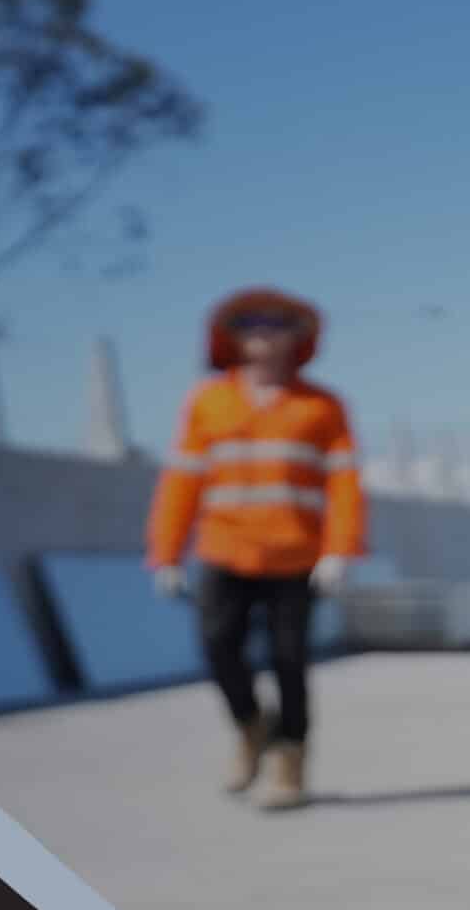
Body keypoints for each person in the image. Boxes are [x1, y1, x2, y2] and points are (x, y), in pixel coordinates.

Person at [146, 288, 365, 811]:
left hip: (295, 555)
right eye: (251, 326)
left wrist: (340, 550)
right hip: (225, 551)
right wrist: (166, 553)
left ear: (299, 339)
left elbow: (345, 487)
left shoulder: (322, 407)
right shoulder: (208, 402)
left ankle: (290, 761)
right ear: (233, 338)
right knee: (219, 646)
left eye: (277, 326)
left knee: (290, 659)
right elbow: (181, 484)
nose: (264, 337)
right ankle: (250, 727)